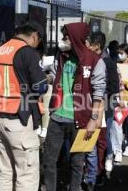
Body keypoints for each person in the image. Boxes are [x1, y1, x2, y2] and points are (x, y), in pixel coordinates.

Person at [43, 23, 106, 191]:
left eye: (66, 37)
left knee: (77, 163)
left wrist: (94, 119)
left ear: (75, 38)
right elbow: (55, 77)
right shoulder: (61, 56)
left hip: (81, 120)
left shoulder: (94, 61)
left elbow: (98, 92)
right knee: (49, 160)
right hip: (57, 117)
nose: (63, 41)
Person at [0, 22, 48, 190]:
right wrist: (46, 80)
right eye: (38, 41)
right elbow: (40, 87)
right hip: (19, 120)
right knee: (26, 175)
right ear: (34, 36)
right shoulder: (28, 52)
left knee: (5, 172)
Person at [85, 31, 120, 189]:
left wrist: (99, 108)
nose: (86, 46)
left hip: (105, 108)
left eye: (89, 43)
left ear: (96, 46)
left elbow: (113, 88)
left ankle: (99, 174)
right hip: (97, 107)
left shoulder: (106, 62)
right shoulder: (96, 60)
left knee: (101, 142)